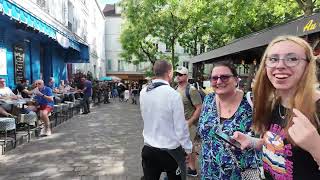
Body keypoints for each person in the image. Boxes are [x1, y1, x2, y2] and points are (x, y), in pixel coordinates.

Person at [233, 35, 320, 179]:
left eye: (292, 59)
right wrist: (252, 141)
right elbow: (279, 147)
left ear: (307, 65)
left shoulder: (317, 107)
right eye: (273, 59)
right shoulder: (274, 103)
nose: (280, 65)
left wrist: (316, 146)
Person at [198, 62, 259, 179]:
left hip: (241, 175)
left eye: (225, 77)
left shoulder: (251, 103)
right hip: (209, 172)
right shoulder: (208, 100)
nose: (219, 81)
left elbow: (271, 141)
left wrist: (252, 142)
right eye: (214, 78)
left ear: (236, 80)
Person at [140, 60, 192, 180]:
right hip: (170, 151)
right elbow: (180, 127)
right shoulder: (173, 95)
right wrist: (188, 148)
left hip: (149, 148)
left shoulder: (144, 92)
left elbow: (146, 117)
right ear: (169, 73)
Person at [175, 66, 202, 177]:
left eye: (180, 74)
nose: (178, 76)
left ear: (186, 76)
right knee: (181, 147)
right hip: (178, 124)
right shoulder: (175, 89)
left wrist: (190, 122)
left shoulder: (191, 90)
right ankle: (187, 167)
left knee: (189, 147)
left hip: (190, 124)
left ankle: (192, 169)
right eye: (177, 74)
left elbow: (199, 108)